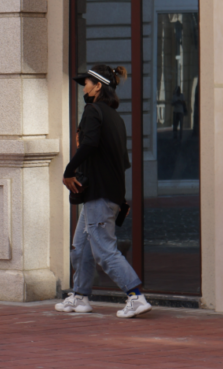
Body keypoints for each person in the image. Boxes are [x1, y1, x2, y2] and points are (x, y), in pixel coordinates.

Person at [58, 64, 152, 318]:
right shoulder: (115, 118)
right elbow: (123, 162)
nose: (84, 87)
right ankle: (80, 297)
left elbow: (88, 144)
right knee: (81, 246)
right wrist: (120, 199)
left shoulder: (93, 111)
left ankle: (135, 296)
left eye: (87, 82)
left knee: (104, 249)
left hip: (99, 193)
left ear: (98, 86)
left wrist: (69, 170)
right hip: (105, 194)